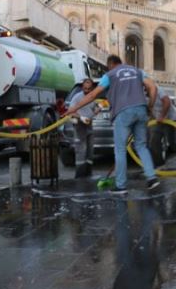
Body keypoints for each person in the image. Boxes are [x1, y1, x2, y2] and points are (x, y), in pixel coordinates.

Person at [66, 55, 159, 194]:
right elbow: (153, 87)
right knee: (141, 146)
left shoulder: (110, 74)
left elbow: (92, 95)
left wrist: (73, 108)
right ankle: (152, 178)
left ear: (110, 65)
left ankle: (121, 186)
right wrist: (150, 106)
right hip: (141, 109)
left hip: (123, 112)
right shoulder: (137, 71)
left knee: (120, 149)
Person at [68, 78, 100, 178]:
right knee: (81, 150)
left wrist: (97, 109)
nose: (87, 90)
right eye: (85, 88)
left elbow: (95, 107)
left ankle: (88, 173)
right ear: (82, 87)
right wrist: (81, 117)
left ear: (92, 88)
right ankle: (79, 175)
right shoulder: (77, 98)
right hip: (79, 126)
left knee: (90, 150)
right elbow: (71, 111)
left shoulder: (92, 97)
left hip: (89, 125)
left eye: (89, 89)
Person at [151, 86, 176, 166]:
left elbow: (167, 102)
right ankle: (159, 164)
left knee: (172, 143)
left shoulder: (158, 90)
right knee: (154, 141)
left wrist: (162, 116)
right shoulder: (142, 94)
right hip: (158, 120)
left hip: (169, 119)